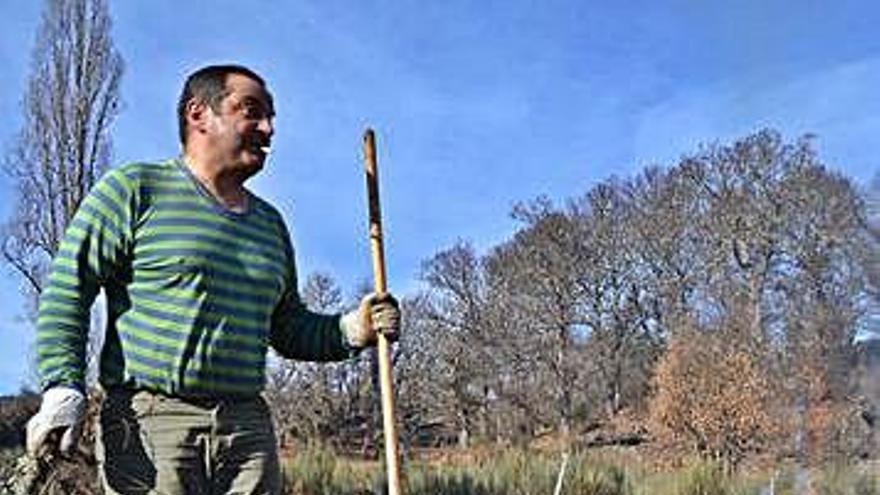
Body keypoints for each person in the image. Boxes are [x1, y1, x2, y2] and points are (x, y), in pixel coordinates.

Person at [24, 64, 400, 494]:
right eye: (252, 110)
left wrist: (354, 329)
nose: (269, 128)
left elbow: (288, 328)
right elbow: (68, 289)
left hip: (247, 432)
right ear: (198, 113)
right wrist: (61, 385)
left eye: (271, 116)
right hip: (151, 426)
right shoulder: (135, 190)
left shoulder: (270, 226)